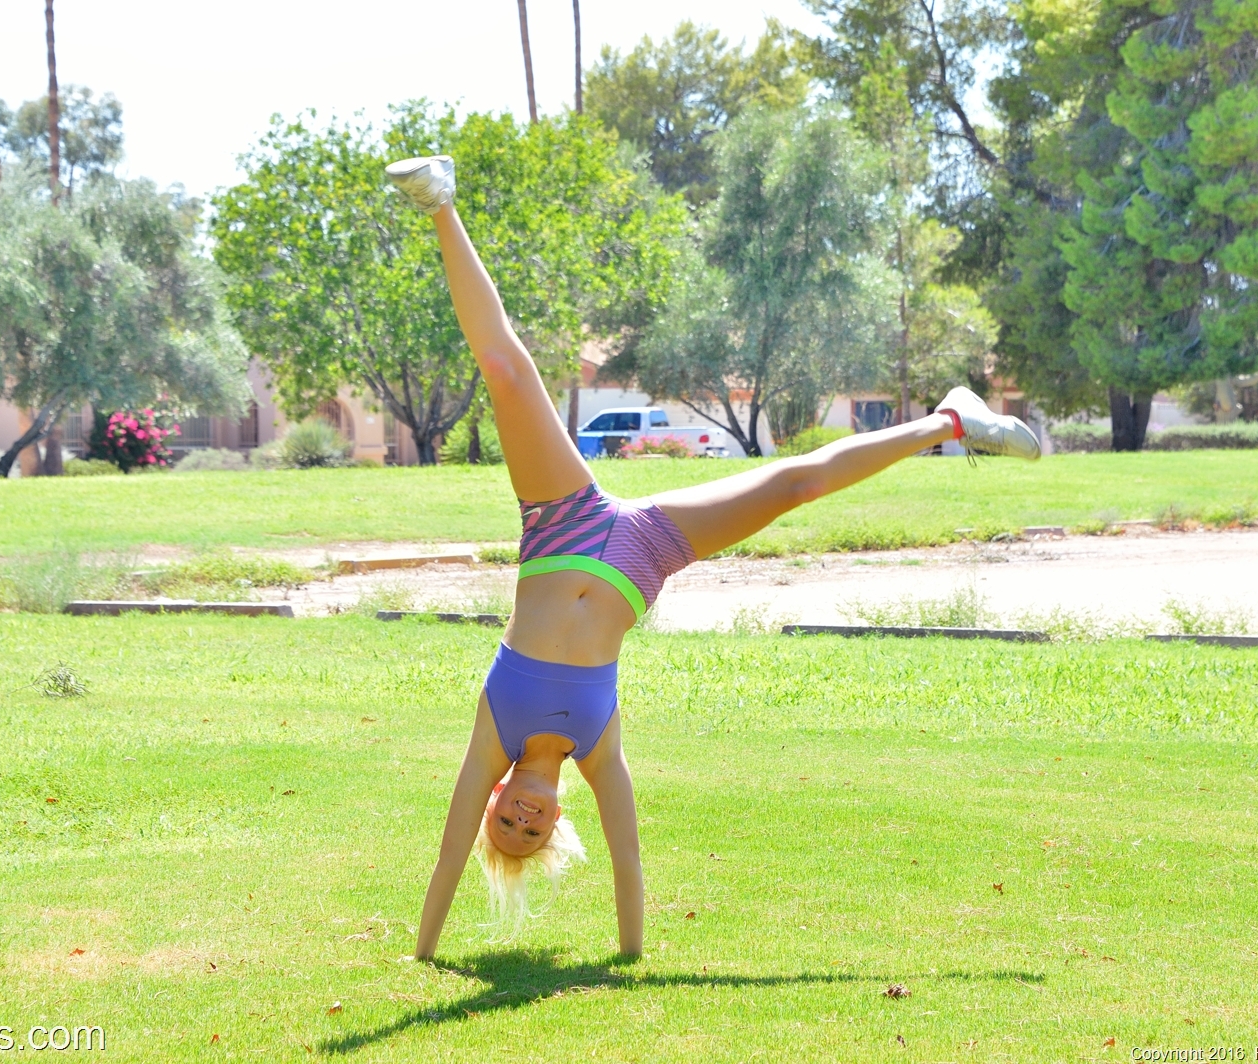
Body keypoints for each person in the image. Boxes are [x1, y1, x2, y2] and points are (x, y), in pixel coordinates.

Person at [385, 155, 1040, 960]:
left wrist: (423, 958)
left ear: (493, 804)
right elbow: (628, 860)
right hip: (643, 553)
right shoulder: (599, 750)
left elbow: (449, 854)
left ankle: (440, 202)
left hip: (561, 523)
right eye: (534, 829)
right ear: (557, 822)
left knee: (509, 373)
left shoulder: (496, 733)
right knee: (796, 485)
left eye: (506, 824)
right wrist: (627, 960)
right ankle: (951, 422)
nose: (522, 817)